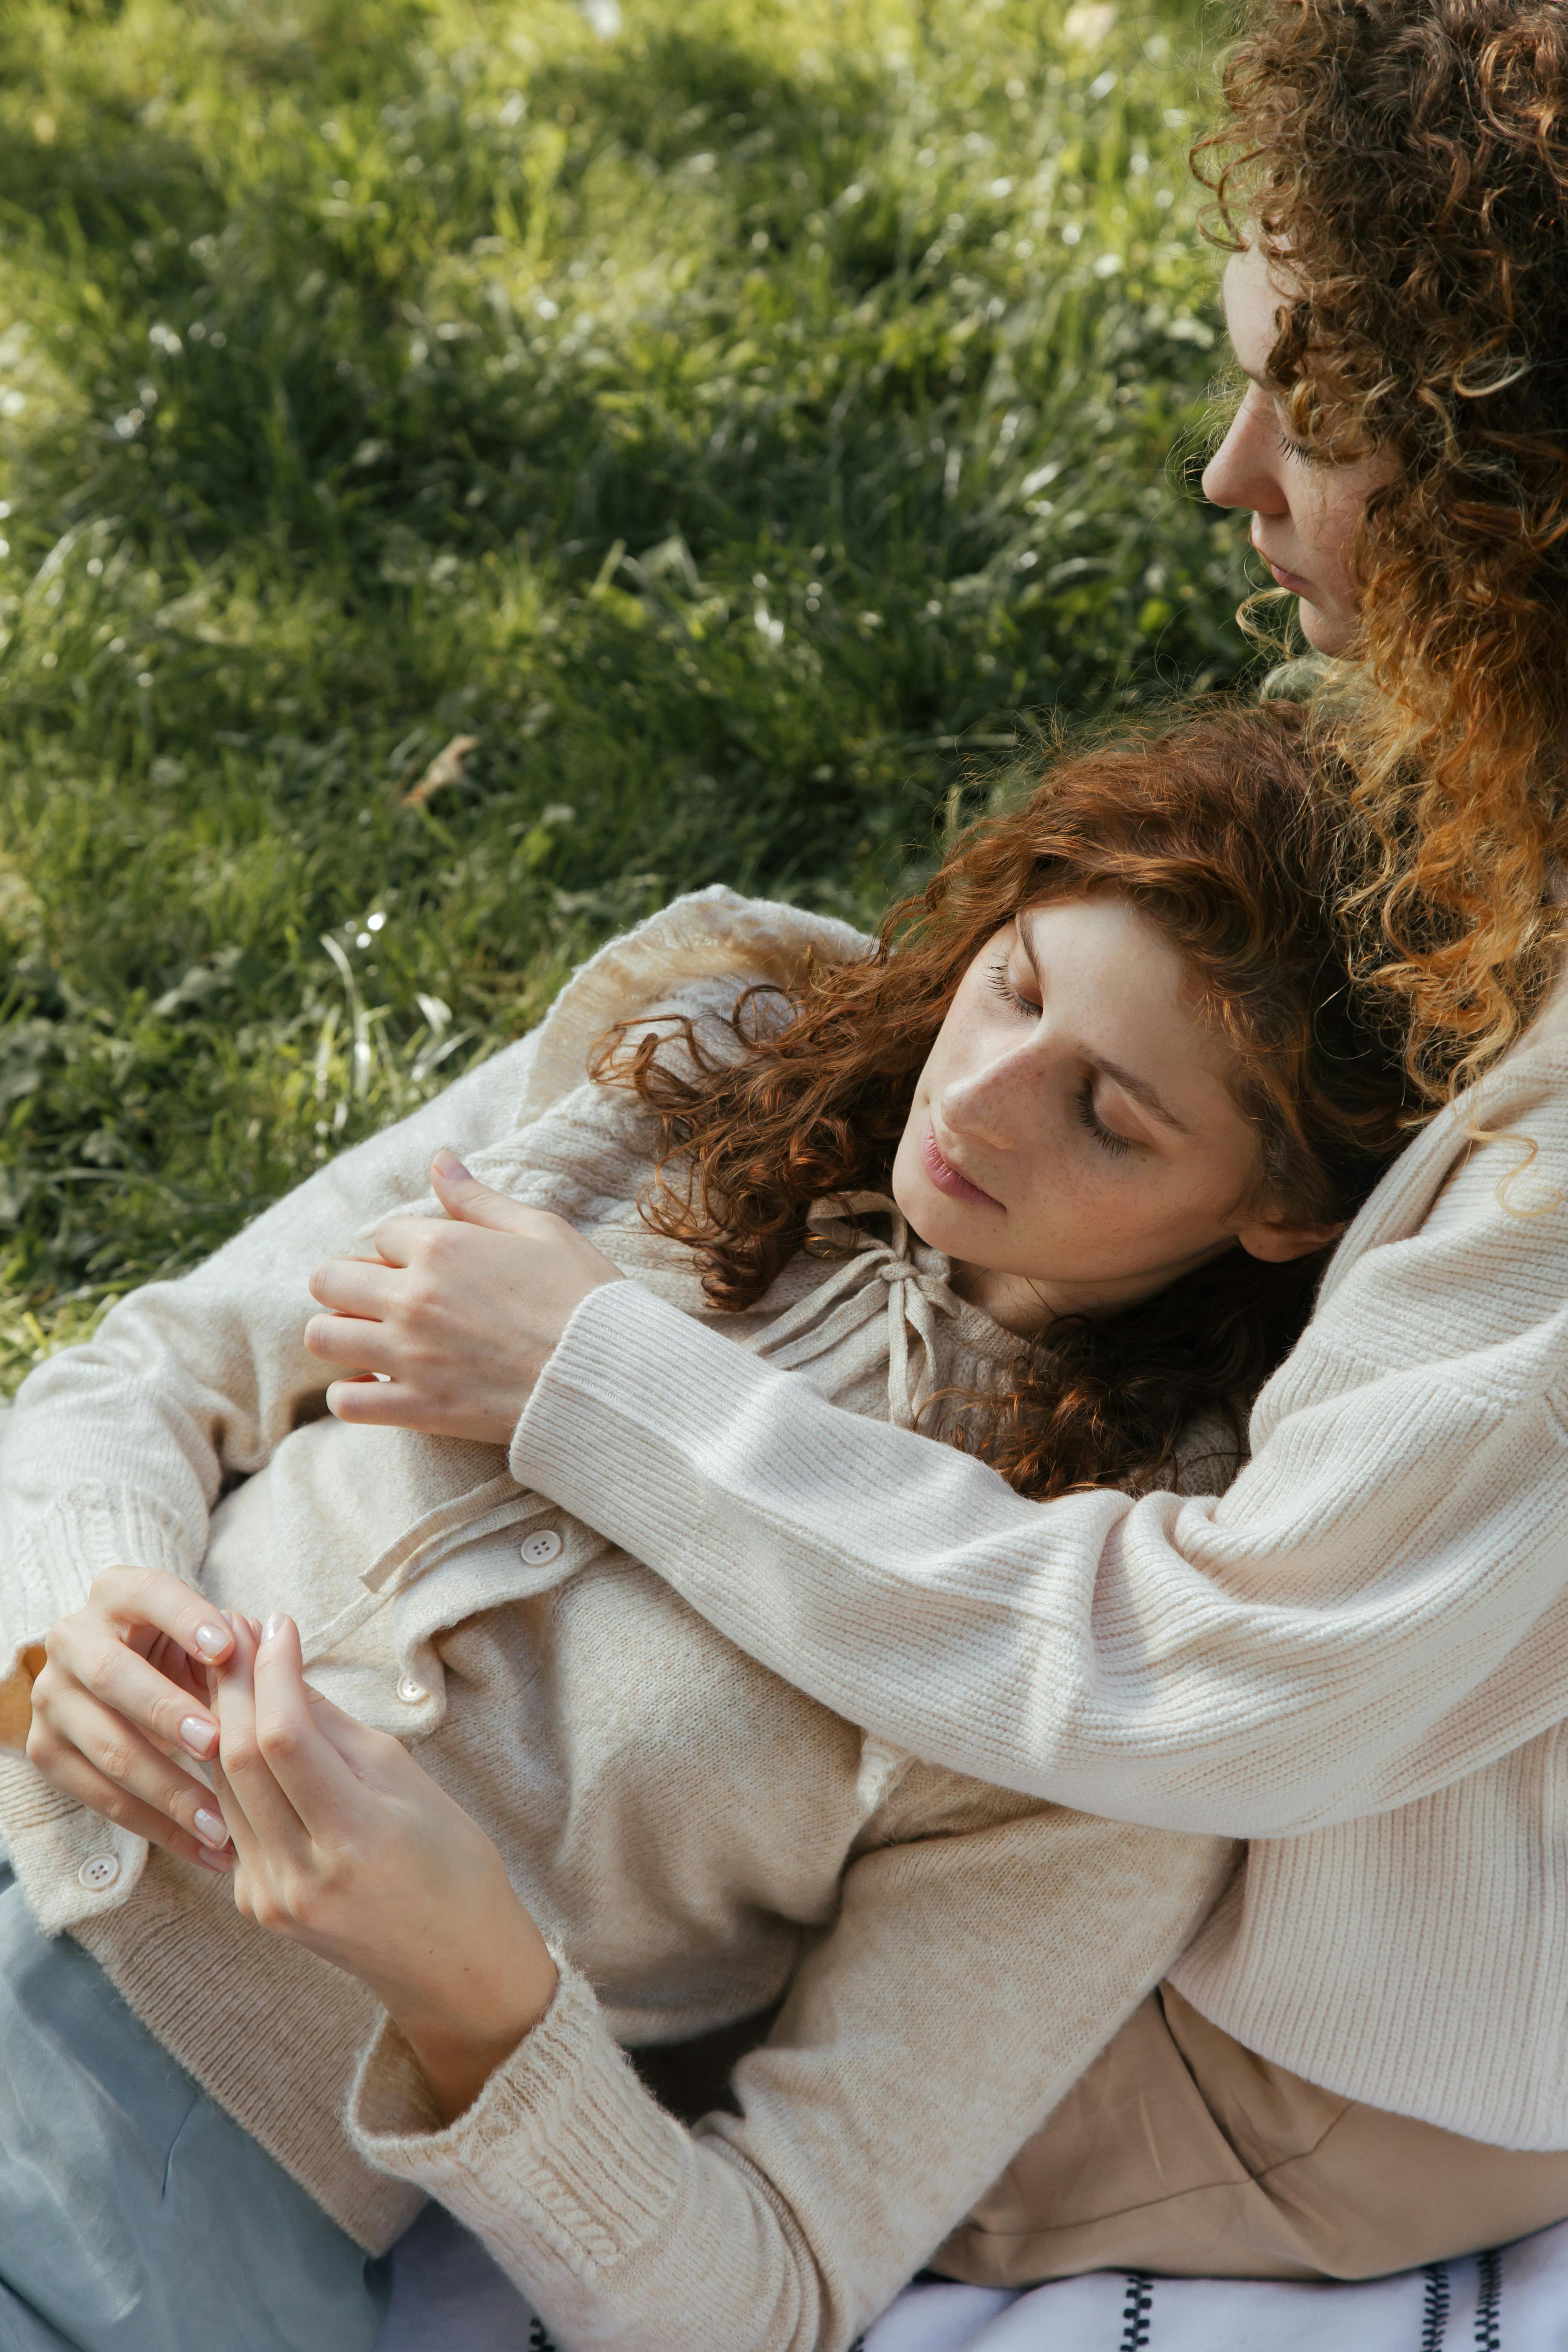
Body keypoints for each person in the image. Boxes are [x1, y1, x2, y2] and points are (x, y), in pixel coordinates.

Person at [282, 0, 1568, 2292]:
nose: (1230, 471)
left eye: (1328, 417)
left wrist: (594, 1380)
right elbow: (173, 1367)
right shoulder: (740, 1036)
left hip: (1299, 2056)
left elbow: (1216, 1680)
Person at [1, 708, 1410, 2352]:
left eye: (1111, 1116)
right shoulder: (707, 1060)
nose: (984, 1098)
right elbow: (159, 1370)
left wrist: (477, 1986)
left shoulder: (1116, 1655)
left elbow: (769, 2295)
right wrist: (70, 1610)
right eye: (1014, 984)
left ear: (1285, 1209)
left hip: (153, 2186)